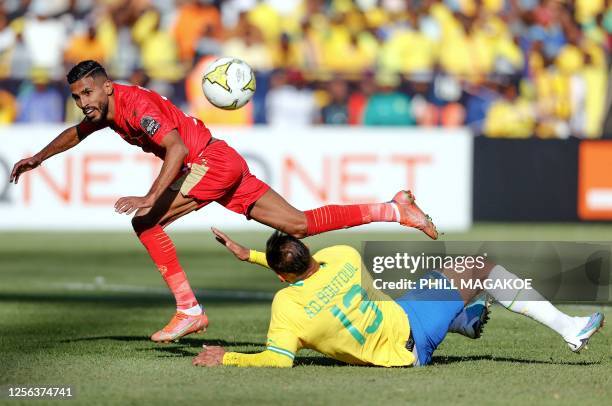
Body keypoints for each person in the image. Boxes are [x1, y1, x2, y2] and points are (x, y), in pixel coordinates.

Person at [9, 60, 438, 343]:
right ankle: (396, 209)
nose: (83, 103)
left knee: (145, 222)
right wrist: (38, 158)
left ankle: (189, 309)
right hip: (221, 160)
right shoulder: (106, 109)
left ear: (106, 86)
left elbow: (175, 149)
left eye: (87, 94)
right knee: (299, 225)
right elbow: (78, 133)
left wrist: (150, 196)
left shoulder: (135, 105)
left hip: (207, 163)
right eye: (77, 97)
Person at [192, 230, 605, 368]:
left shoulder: (287, 307)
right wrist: (257, 255)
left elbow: (277, 359)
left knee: (435, 278)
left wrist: (226, 357)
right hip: (410, 334)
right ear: (307, 252)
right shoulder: (343, 258)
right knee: (481, 268)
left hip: (400, 336)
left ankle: (459, 318)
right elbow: (301, 265)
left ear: (282, 276)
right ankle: (570, 330)